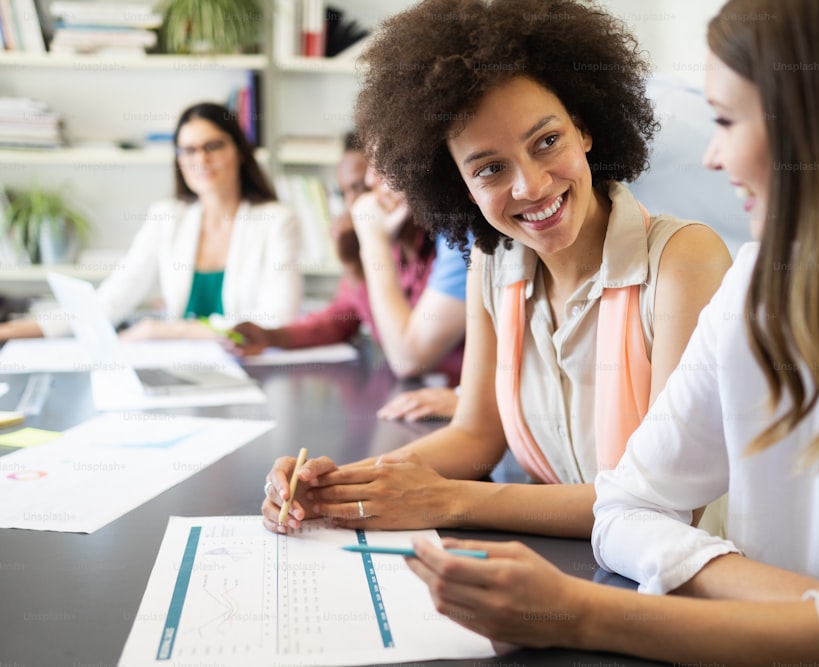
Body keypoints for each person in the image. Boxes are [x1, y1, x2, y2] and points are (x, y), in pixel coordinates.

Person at [401, 0, 819, 664]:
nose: (713, 157)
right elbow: (626, 505)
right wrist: (809, 599)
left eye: (726, 120)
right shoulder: (756, 287)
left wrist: (577, 612)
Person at [260, 0, 732, 538]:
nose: (531, 186)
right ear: (459, 186)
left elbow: (666, 505)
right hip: (570, 576)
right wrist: (335, 488)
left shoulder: (682, 261)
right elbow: (476, 435)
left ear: (585, 131)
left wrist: (452, 502)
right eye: (490, 168)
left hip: (682, 596)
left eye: (547, 141)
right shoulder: (493, 262)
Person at [0, 102, 301, 341]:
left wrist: (171, 330)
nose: (201, 160)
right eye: (188, 150)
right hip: (184, 367)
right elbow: (109, 302)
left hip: (250, 365)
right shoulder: (167, 217)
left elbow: (277, 320)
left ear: (240, 152)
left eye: (213, 146)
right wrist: (11, 332)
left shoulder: (277, 221)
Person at [231, 134, 467, 420]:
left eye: (360, 188)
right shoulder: (389, 247)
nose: (355, 203)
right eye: (346, 192)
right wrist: (271, 336)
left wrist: (368, 248)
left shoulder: (448, 244)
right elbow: (340, 318)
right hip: (418, 399)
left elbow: (401, 347)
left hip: (457, 404)